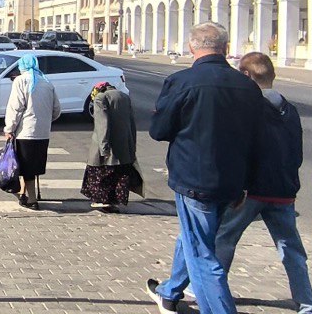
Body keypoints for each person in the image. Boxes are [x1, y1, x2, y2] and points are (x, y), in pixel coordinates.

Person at [144, 21, 263, 314]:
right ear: (225, 48)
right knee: (194, 237)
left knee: (202, 254)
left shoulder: (182, 81)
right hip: (233, 180)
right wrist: (247, 182)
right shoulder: (247, 86)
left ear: (191, 47)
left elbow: (159, 130)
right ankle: (170, 292)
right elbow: (258, 139)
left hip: (194, 179)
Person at [214, 52, 312, 314]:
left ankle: (212, 293)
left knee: (224, 239)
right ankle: (306, 304)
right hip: (283, 190)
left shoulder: (247, 107)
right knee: (291, 249)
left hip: (252, 190)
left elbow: (239, 150)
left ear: (246, 76)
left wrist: (236, 186)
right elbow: (297, 151)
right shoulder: (289, 109)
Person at [2, 54, 62, 210]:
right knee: (33, 166)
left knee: (26, 167)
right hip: (43, 133)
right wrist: (45, 121)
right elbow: (56, 110)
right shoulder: (47, 82)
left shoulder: (20, 81)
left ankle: (32, 199)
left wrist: (9, 128)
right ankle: (24, 193)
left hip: (26, 132)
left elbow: (15, 108)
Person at [81, 81, 142, 213]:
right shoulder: (124, 97)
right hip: (125, 144)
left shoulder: (100, 98)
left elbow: (103, 124)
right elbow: (132, 122)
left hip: (108, 144)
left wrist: (104, 147)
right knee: (119, 173)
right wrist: (132, 145)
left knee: (102, 173)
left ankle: (103, 201)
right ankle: (114, 202)